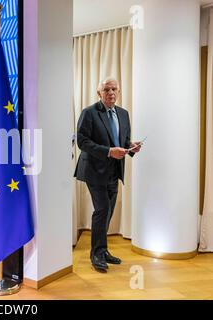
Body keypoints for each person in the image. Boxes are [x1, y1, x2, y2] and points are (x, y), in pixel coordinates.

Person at [74, 77, 142, 273]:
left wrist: (131, 146)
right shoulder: (89, 112)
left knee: (108, 212)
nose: (111, 92)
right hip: (94, 170)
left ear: (118, 92)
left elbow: (124, 140)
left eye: (114, 89)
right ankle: (96, 254)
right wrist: (108, 151)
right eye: (107, 89)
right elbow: (82, 141)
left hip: (114, 171)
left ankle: (102, 251)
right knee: (102, 210)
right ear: (99, 93)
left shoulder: (123, 114)